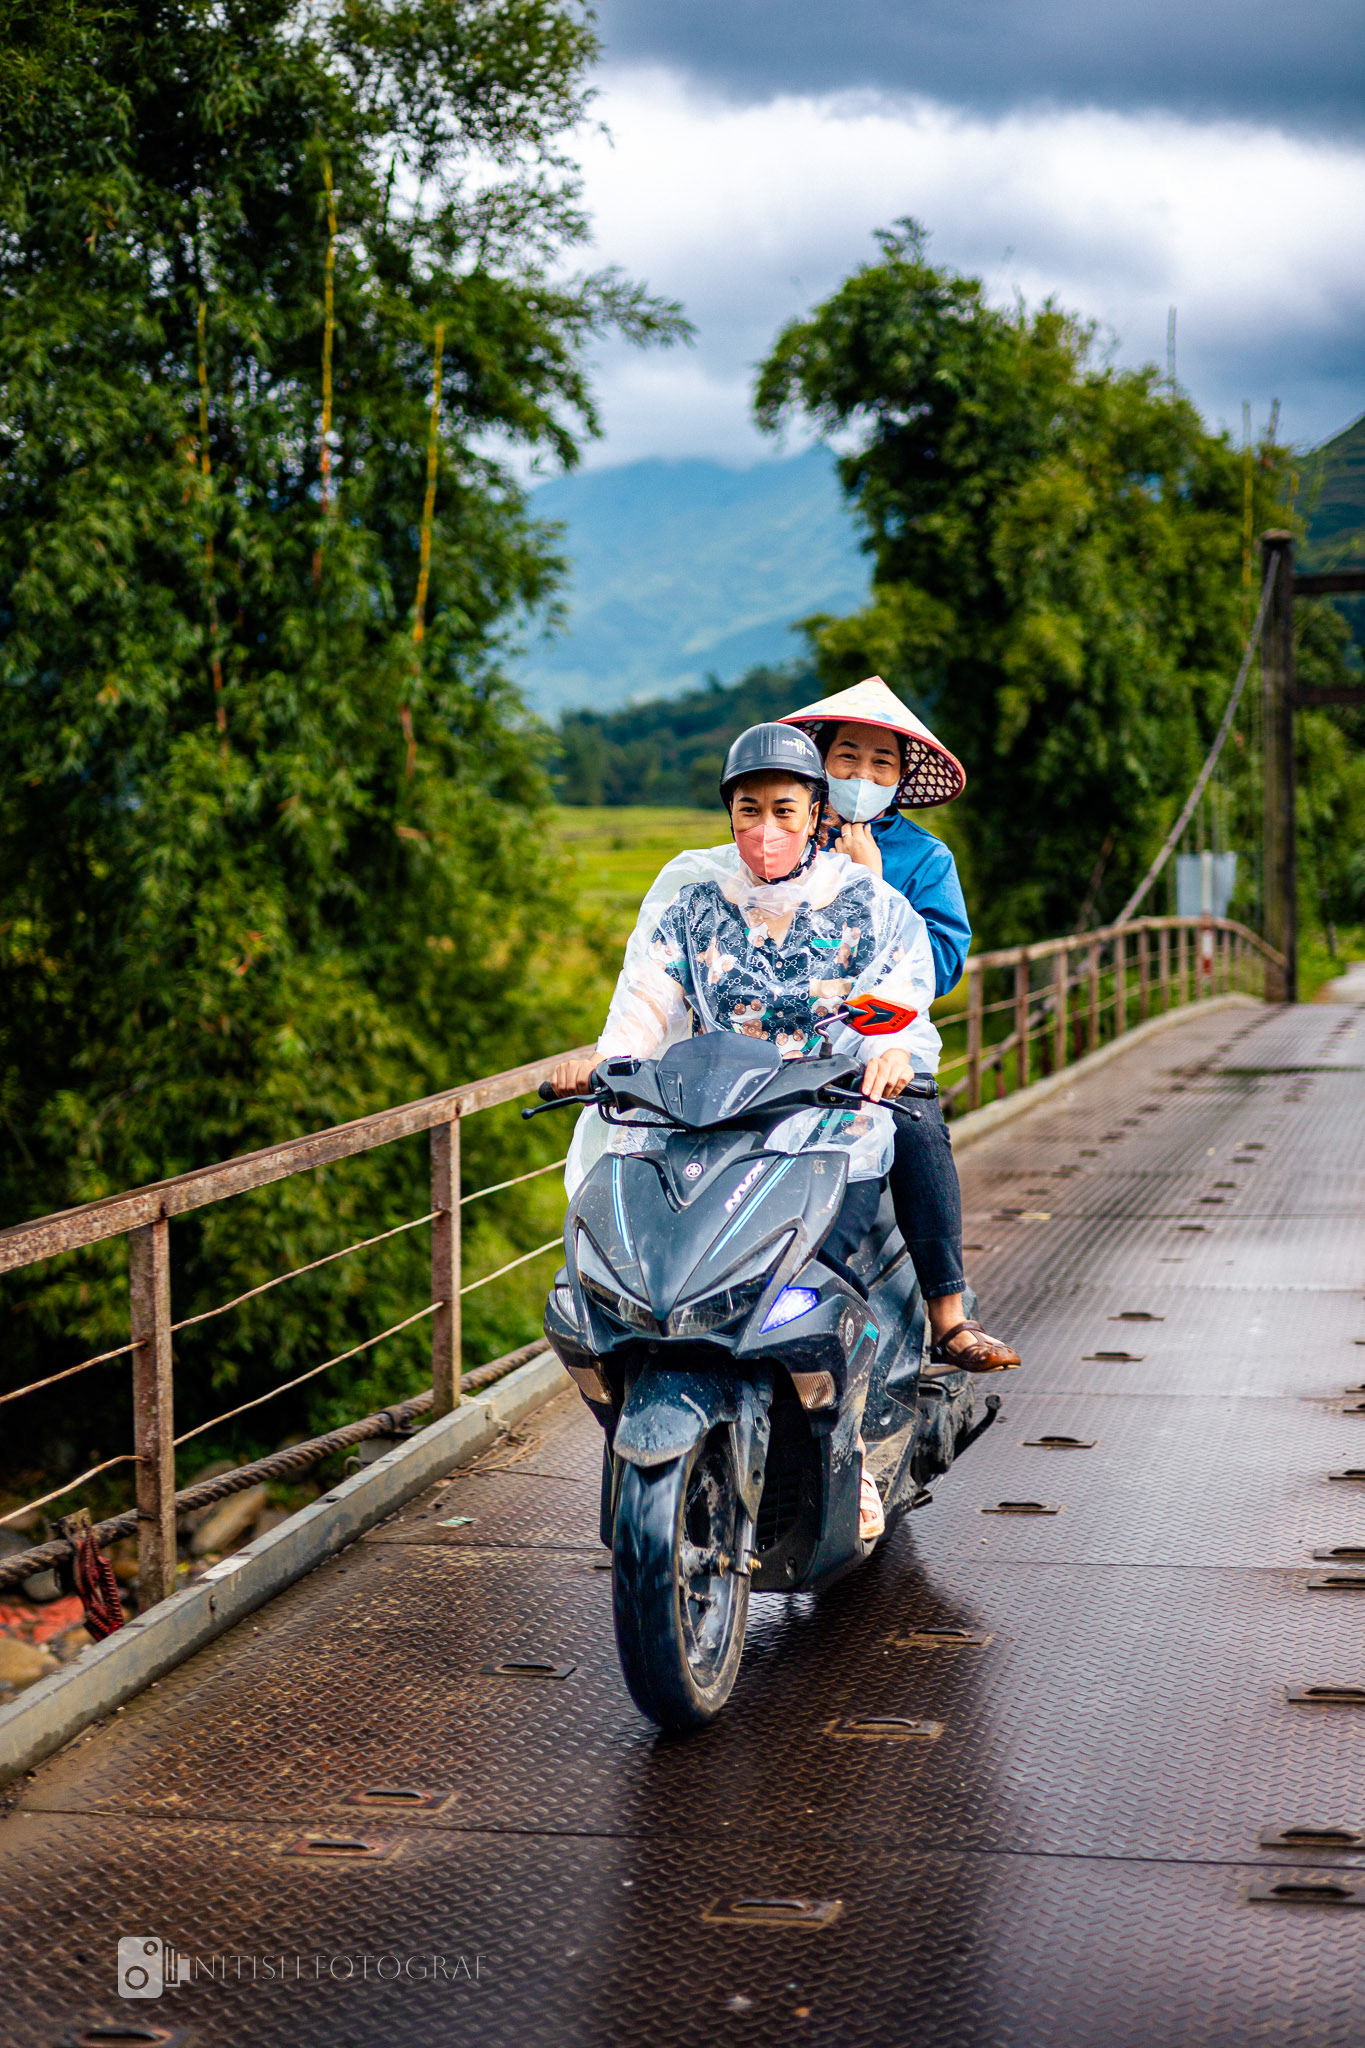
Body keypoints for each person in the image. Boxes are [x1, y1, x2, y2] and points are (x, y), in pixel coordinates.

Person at [552, 721, 939, 1542]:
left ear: (815, 813)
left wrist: (889, 1052)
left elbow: (898, 996)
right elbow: (645, 999)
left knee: (830, 1263)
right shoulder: (691, 898)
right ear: (728, 813)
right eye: (747, 811)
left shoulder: (866, 904)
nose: (765, 831)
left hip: (826, 1122)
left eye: (785, 811)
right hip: (706, 1115)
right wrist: (607, 1060)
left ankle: (860, 1453)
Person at [779, 675, 1020, 1373]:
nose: (861, 774)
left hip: (877, 1039)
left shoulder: (923, 859)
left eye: (880, 763)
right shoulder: (783, 835)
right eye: (847, 757)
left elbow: (939, 966)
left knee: (913, 1121)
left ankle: (948, 1314)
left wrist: (874, 885)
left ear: (899, 779)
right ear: (819, 759)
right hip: (778, 1041)